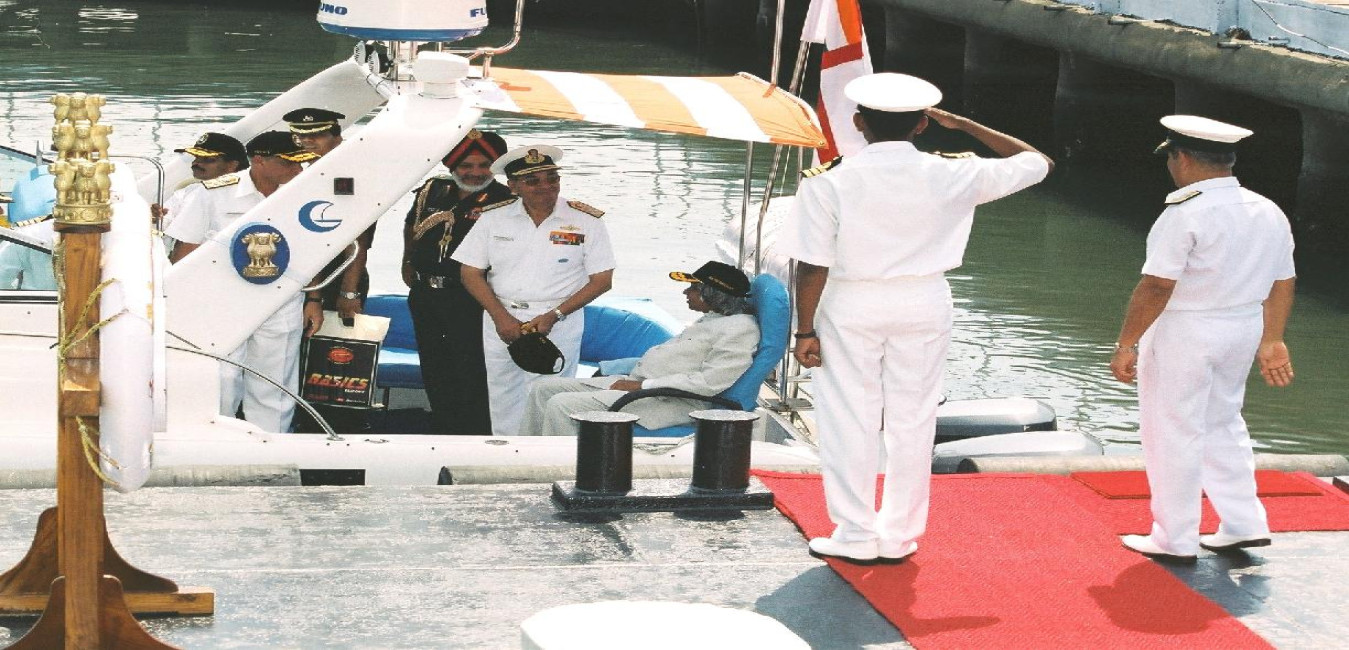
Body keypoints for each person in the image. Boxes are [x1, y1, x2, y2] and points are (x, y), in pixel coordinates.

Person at [779, 73, 1053, 565]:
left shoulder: (830, 181)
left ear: (858, 122)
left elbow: (813, 264)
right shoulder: (954, 172)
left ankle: (855, 532)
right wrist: (965, 125)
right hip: (924, 300)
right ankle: (899, 535)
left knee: (849, 417)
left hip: (852, 302)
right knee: (913, 419)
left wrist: (804, 330)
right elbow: (1037, 162)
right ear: (923, 124)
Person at [1113, 115, 1296, 564]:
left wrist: (1126, 343)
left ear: (1182, 157)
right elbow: (1284, 280)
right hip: (1243, 324)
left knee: (1173, 430)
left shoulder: (1185, 212)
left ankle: (1174, 537)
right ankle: (1243, 522)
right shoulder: (1266, 209)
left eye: (1170, 158)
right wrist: (1273, 338)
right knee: (1224, 422)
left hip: (1187, 328)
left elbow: (1157, 286)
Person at [452, 144, 616, 436]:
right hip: (502, 318)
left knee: (551, 396)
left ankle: (545, 456)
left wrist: (554, 315)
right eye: (533, 181)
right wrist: (501, 317)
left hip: (558, 320)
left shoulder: (585, 221)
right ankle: (506, 455)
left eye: (552, 178)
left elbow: (602, 279)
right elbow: (470, 272)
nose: (545, 186)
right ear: (513, 186)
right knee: (503, 396)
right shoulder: (493, 218)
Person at [165, 131, 319, 433]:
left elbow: (311, 250)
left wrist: (314, 299)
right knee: (221, 380)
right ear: (259, 161)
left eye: (300, 162)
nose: (297, 169)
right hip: (221, 302)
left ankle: (272, 448)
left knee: (275, 383)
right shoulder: (212, 194)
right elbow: (185, 253)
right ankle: (216, 444)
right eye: (289, 163)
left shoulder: (304, 192)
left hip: (281, 299)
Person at [521, 261, 759, 436]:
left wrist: (642, 386)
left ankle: (560, 469)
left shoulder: (740, 329)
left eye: (692, 289)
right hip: (644, 387)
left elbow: (708, 383)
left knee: (562, 405)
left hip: (669, 401)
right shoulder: (714, 319)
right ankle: (527, 459)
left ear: (712, 294)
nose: (685, 292)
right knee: (543, 389)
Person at [401, 129, 513, 434]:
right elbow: (412, 226)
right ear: (452, 166)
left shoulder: (507, 201)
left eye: (484, 165)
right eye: (466, 165)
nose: (475, 173)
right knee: (434, 367)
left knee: (472, 370)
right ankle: (443, 429)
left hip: (472, 299)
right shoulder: (432, 190)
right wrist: (407, 261)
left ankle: (475, 434)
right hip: (426, 296)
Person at [283, 107, 373, 328]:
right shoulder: (307, 169)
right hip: (306, 270)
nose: (307, 141)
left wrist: (349, 292)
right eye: (301, 135)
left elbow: (357, 240)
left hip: (338, 273)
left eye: (317, 134)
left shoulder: (349, 174)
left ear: (336, 135)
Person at [153, 132, 248, 244]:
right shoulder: (187, 192)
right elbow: (163, 221)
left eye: (207, 159)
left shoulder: (248, 196)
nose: (196, 163)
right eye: (196, 157)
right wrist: (154, 217)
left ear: (231, 165)